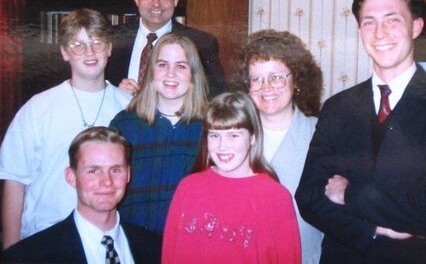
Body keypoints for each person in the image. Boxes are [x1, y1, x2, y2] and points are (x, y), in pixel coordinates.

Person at [295, 0, 426, 263]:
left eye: (392, 20)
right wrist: (371, 229)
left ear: (416, 27)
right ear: (360, 31)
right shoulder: (338, 107)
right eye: (369, 22)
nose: (380, 33)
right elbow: (309, 196)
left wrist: (348, 193)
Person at [0, 8, 131, 249]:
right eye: (77, 44)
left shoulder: (128, 107)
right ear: (64, 52)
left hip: (107, 241)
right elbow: (14, 182)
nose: (89, 52)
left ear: (109, 48)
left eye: (97, 43)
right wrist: (12, 252)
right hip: (43, 236)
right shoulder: (38, 108)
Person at [162, 92, 301, 263]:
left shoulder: (275, 197)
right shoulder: (188, 188)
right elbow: (169, 254)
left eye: (233, 135)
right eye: (214, 135)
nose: (222, 146)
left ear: (252, 138)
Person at [3, 126, 161, 263]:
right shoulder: (29, 256)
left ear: (128, 175)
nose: (107, 182)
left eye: (115, 170)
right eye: (93, 170)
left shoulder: (155, 248)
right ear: (71, 177)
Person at [234, 29, 324, 263]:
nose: (266, 87)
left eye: (276, 77)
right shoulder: (231, 138)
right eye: (257, 79)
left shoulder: (321, 135)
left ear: (296, 80)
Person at [110, 33, 208, 234]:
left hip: (190, 244)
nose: (170, 73)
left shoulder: (211, 127)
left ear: (194, 74)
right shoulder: (125, 124)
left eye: (181, 66)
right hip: (135, 241)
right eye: (163, 64)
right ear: (151, 71)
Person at [106, 0, 224, 96]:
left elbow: (214, 98)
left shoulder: (201, 44)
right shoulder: (111, 39)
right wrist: (115, 94)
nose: (156, 3)